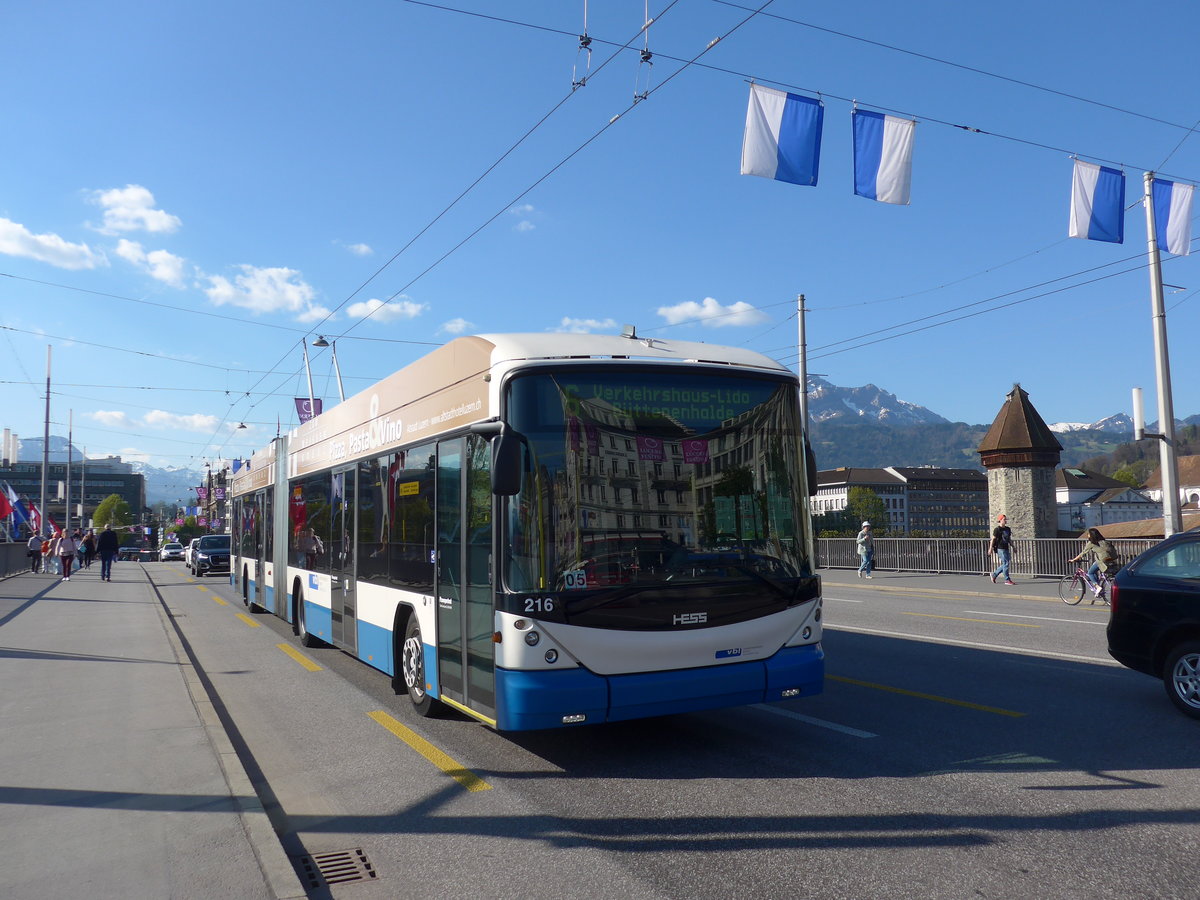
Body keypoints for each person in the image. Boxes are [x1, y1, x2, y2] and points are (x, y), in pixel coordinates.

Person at [1070, 527, 1117, 600]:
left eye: (1088, 534)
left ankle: (1097, 587)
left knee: (1090, 573)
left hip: (1101, 561)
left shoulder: (1091, 543)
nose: (1087, 535)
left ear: (1091, 535)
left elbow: (1083, 553)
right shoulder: (1104, 541)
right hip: (1110, 560)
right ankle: (1098, 589)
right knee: (1094, 570)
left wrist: (1074, 559)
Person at [989, 514, 1015, 585]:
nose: (1005, 521)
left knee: (1005, 563)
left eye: (1006, 519)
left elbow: (1009, 539)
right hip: (1000, 548)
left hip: (1006, 547)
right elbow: (993, 539)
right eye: (1004, 519)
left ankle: (994, 575)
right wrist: (990, 548)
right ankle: (1007, 580)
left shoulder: (1008, 529)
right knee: (1006, 563)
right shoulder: (997, 529)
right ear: (1000, 520)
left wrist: (1013, 547)